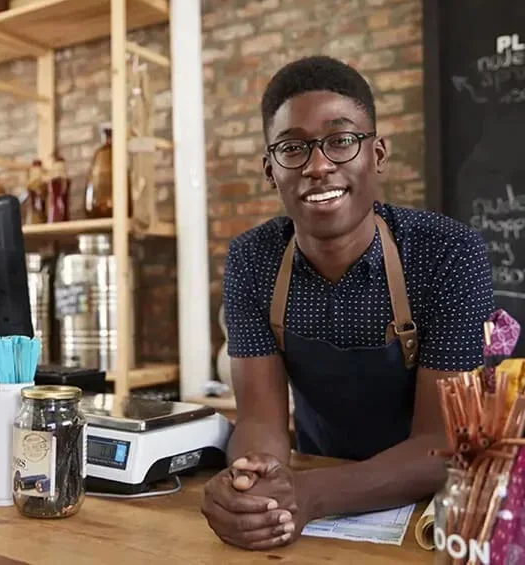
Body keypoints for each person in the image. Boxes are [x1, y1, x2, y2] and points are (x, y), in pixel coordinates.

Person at [201, 55, 494, 551]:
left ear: (376, 153)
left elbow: (442, 445)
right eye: (293, 148)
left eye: (341, 140)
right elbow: (259, 420)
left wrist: (309, 495)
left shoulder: (449, 254)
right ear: (270, 170)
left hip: (430, 514)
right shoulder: (252, 260)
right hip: (312, 505)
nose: (318, 165)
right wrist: (253, 486)